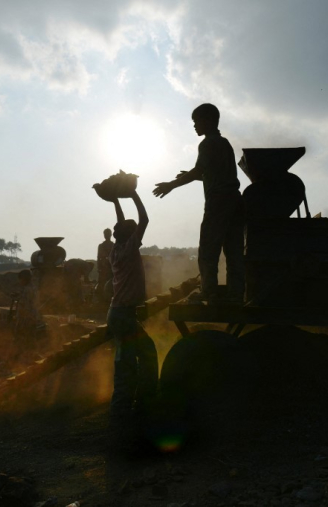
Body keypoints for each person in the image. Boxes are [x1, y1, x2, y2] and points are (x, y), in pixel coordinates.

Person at [153, 103, 245, 303]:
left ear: (208, 121)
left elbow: (199, 171)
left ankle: (209, 290)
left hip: (218, 202)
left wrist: (172, 184)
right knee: (234, 250)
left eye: (196, 122)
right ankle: (237, 292)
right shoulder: (225, 143)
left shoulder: (208, 143)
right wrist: (193, 176)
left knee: (208, 250)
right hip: (235, 202)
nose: (194, 126)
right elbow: (215, 174)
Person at [106, 190, 158, 426]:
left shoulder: (115, 250)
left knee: (141, 354)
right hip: (124, 315)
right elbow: (145, 220)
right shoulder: (129, 249)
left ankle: (137, 405)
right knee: (128, 365)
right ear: (130, 235)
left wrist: (116, 199)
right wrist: (133, 193)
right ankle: (124, 416)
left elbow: (121, 225)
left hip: (119, 313)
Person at [96, 228, 114, 303]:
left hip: (110, 269)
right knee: (102, 285)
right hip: (104, 269)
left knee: (111, 285)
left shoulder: (113, 245)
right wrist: (99, 267)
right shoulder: (101, 246)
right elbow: (98, 257)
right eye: (105, 234)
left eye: (107, 234)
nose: (106, 235)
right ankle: (102, 301)